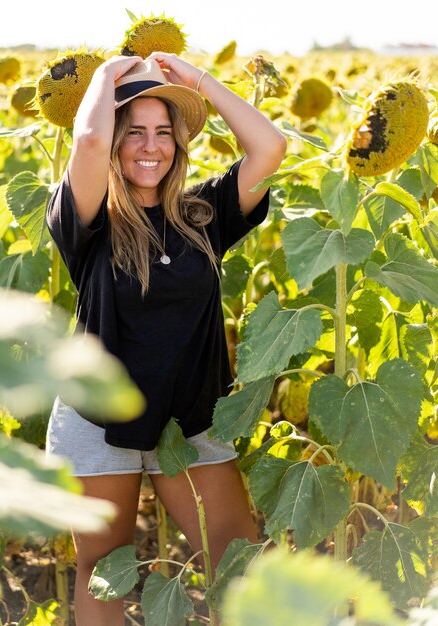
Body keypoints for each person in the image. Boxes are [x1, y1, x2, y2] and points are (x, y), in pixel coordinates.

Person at [46, 51, 287, 626]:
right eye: (133, 133)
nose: (149, 147)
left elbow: (270, 148)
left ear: (179, 143)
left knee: (239, 564)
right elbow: (84, 146)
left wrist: (198, 82)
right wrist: (106, 75)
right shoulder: (88, 217)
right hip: (100, 422)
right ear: (114, 142)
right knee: (104, 573)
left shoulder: (204, 213)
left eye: (163, 132)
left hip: (191, 422)